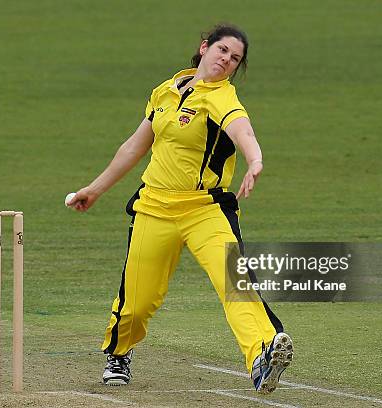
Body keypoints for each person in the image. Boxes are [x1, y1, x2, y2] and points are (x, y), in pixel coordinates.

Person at [67, 23, 293, 394]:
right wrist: (95, 189)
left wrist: (255, 161)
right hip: (154, 205)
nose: (227, 60)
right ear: (204, 48)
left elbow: (243, 132)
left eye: (235, 58)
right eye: (222, 51)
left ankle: (263, 354)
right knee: (137, 302)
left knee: (235, 282)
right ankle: (119, 353)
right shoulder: (166, 91)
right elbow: (134, 146)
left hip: (206, 208)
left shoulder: (221, 98)